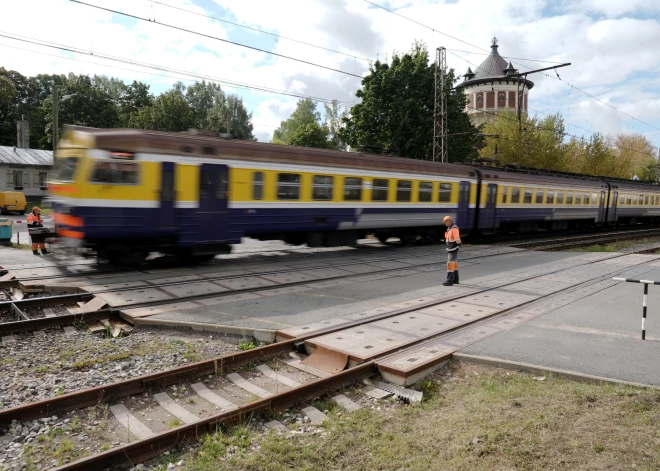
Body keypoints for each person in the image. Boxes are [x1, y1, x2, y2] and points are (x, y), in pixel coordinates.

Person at [442, 215, 460, 286]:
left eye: (445, 221)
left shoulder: (454, 228)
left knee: (450, 263)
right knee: (454, 264)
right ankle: (455, 279)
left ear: (449, 221)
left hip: (453, 248)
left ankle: (449, 280)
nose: (444, 223)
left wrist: (459, 244)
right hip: (451, 248)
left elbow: (457, 238)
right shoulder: (449, 228)